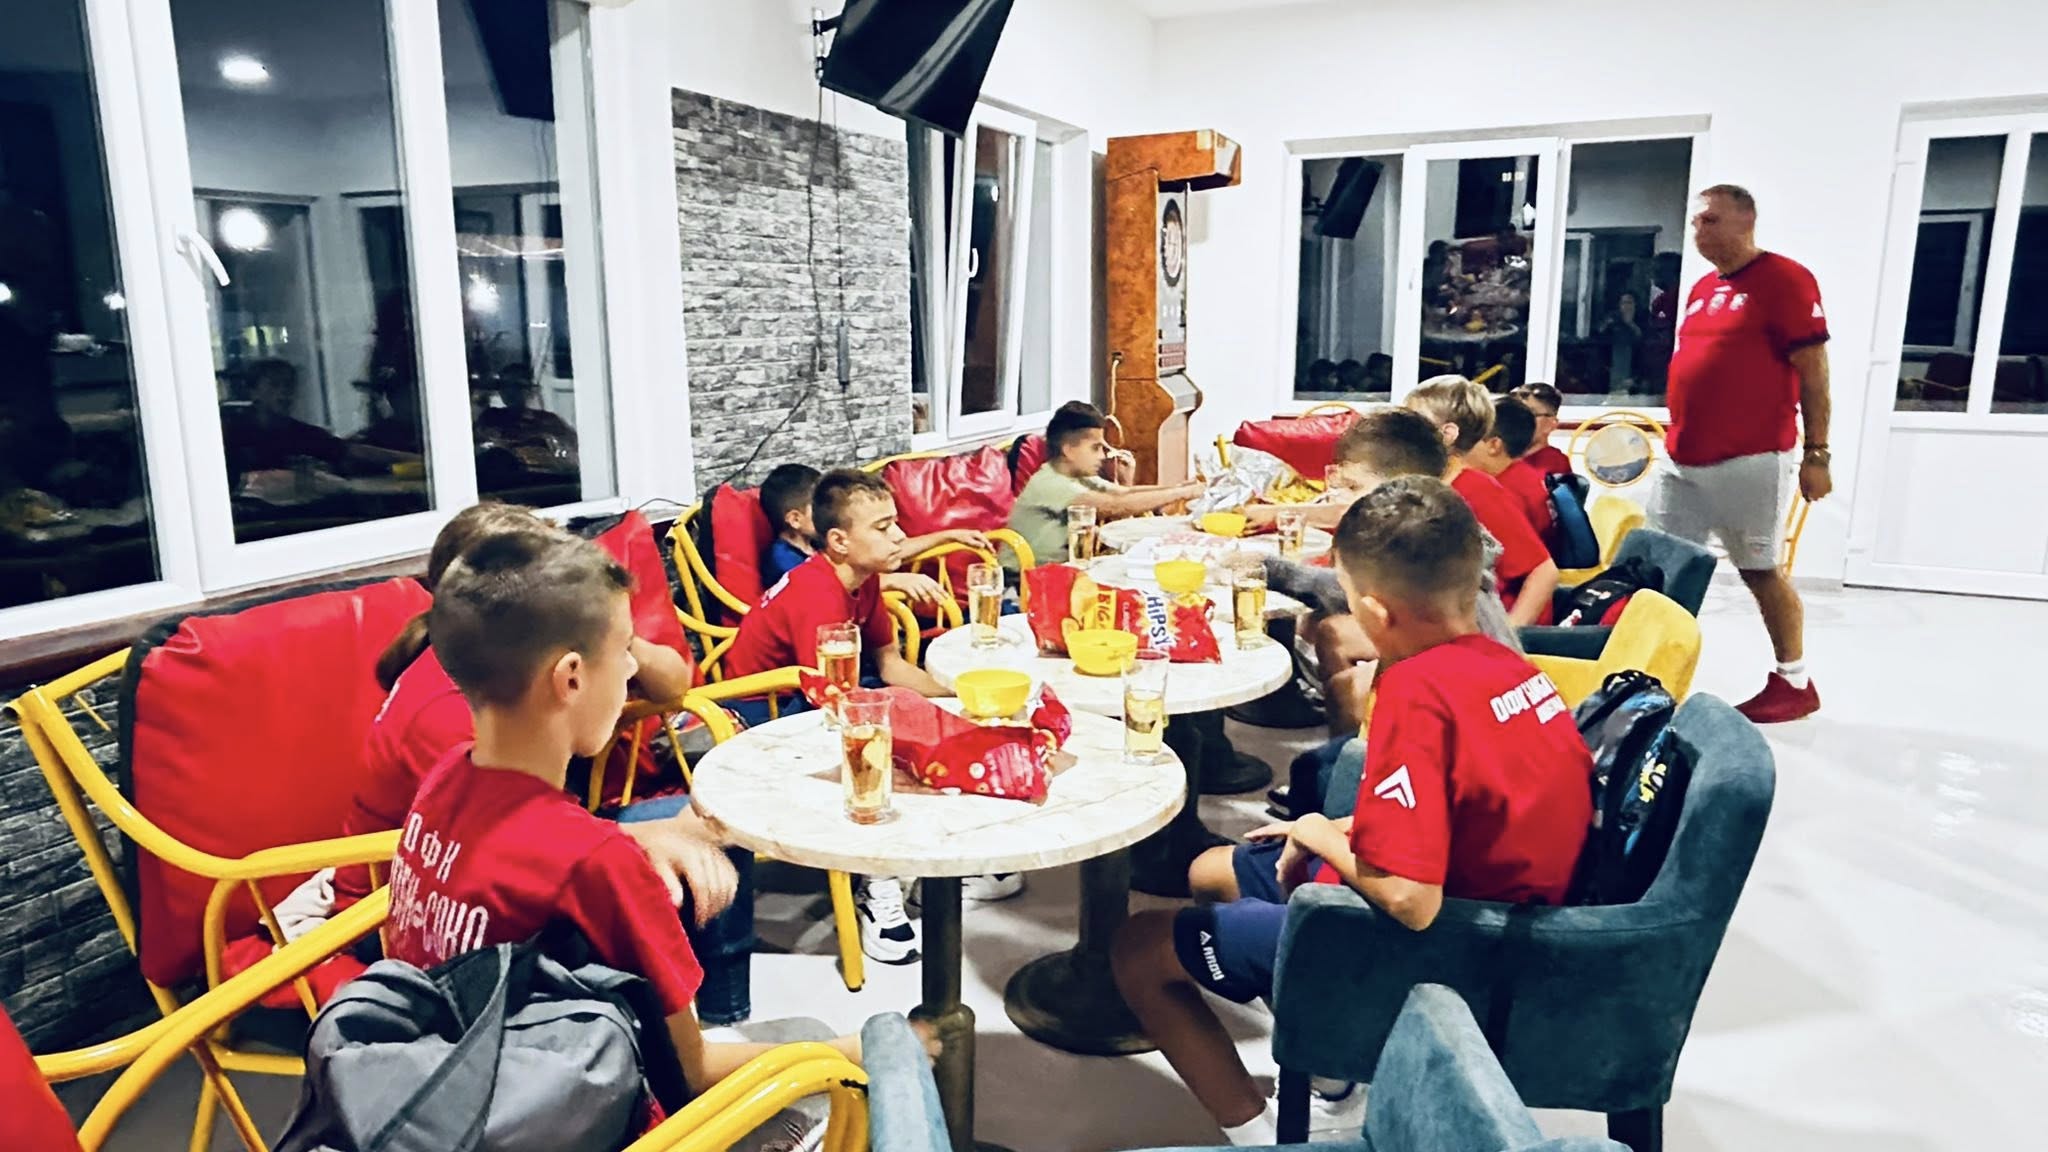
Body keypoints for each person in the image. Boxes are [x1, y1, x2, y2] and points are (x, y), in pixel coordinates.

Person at [1110, 477, 1593, 1146]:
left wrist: (1316, 829)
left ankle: (1263, 1133)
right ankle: (1332, 1066)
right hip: (1502, 906)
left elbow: (1411, 900)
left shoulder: (1414, 691)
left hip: (1448, 946)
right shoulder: (1511, 664)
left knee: (1138, 950)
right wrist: (1337, 831)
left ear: (1373, 609)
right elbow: (1483, 804)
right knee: (1211, 870)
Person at [382, 530, 867, 1104]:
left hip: (452, 1082)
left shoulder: (445, 778)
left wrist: (640, 839)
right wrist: (860, 1049)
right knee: (863, 1061)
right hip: (576, 1116)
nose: (634, 665)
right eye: (623, 651)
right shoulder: (597, 863)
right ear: (570, 677)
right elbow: (691, 1075)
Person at [722, 469, 961, 963]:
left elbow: (891, 665)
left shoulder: (863, 580)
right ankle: (877, 883)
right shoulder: (817, 592)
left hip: (819, 694)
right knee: (875, 745)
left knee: (927, 721)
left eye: (895, 522)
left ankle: (936, 861)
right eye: (883, 527)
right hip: (759, 712)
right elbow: (826, 703)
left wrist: (955, 696)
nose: (899, 536)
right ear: (838, 541)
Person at [1661, 184, 1831, 722]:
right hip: (1683, 457)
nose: (1698, 231)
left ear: (1744, 221)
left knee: (1759, 571)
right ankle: (1654, 672)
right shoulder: (1702, 288)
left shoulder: (1786, 279)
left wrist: (1818, 453)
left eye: (1710, 221)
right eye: (1695, 222)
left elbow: (1815, 375)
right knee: (1663, 569)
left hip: (1750, 458)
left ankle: (1794, 681)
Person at [1406, 375, 1559, 626]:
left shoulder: (1477, 489)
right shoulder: (1428, 484)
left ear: (1448, 434)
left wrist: (1508, 633)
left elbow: (1543, 571)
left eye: (1413, 422)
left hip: (1483, 624)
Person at [758, 461, 986, 611]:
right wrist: (893, 580)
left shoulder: (816, 541)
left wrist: (948, 536)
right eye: (817, 506)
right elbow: (825, 588)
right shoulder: (783, 559)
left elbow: (894, 548)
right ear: (795, 519)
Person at [1008, 401, 1203, 566]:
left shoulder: (1078, 476)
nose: (1102, 456)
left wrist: (1180, 488)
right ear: (1069, 450)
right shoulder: (1051, 483)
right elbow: (1114, 505)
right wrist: (1182, 494)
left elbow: (1121, 494)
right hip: (1025, 579)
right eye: (1096, 448)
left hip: (1064, 567)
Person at [1468, 395, 1556, 543]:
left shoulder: (1501, 493)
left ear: (1494, 445)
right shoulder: (1524, 474)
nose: (1462, 448)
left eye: (1471, 440)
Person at [1511, 382, 1573, 476]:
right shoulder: (1500, 457)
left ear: (1551, 424)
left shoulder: (1555, 465)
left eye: (1529, 414)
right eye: (1514, 413)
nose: (1519, 420)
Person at [1600, 290, 1644, 392]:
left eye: (1630, 303)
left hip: (1634, 380)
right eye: (1624, 303)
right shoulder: (1612, 324)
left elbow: (1644, 348)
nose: (1627, 306)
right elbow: (1601, 342)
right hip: (1614, 374)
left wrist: (1631, 325)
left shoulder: (1643, 322)